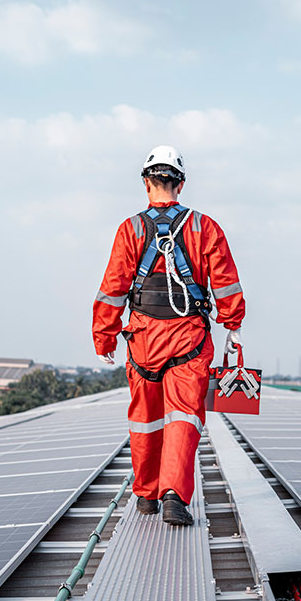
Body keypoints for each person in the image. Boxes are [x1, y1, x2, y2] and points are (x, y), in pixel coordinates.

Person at [92, 145, 245, 526]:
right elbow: (225, 284)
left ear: (146, 183)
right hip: (189, 339)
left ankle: (146, 495)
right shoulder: (204, 227)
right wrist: (232, 324)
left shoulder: (130, 229)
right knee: (184, 417)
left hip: (143, 341)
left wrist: (104, 337)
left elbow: (113, 288)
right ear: (181, 184)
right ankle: (174, 495)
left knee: (145, 419)